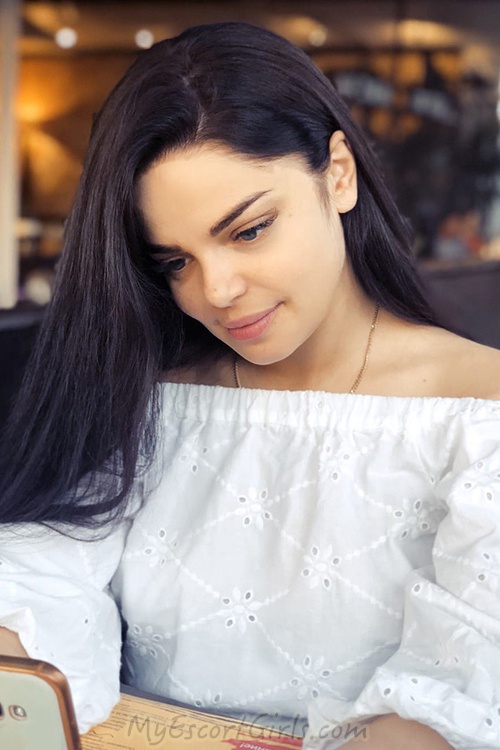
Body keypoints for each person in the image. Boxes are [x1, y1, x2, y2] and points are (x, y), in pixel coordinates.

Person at [1, 21, 499, 750]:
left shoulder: (481, 415)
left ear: (338, 174)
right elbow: (37, 577)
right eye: (174, 262)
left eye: (249, 230)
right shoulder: (152, 399)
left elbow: (460, 698)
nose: (217, 291)